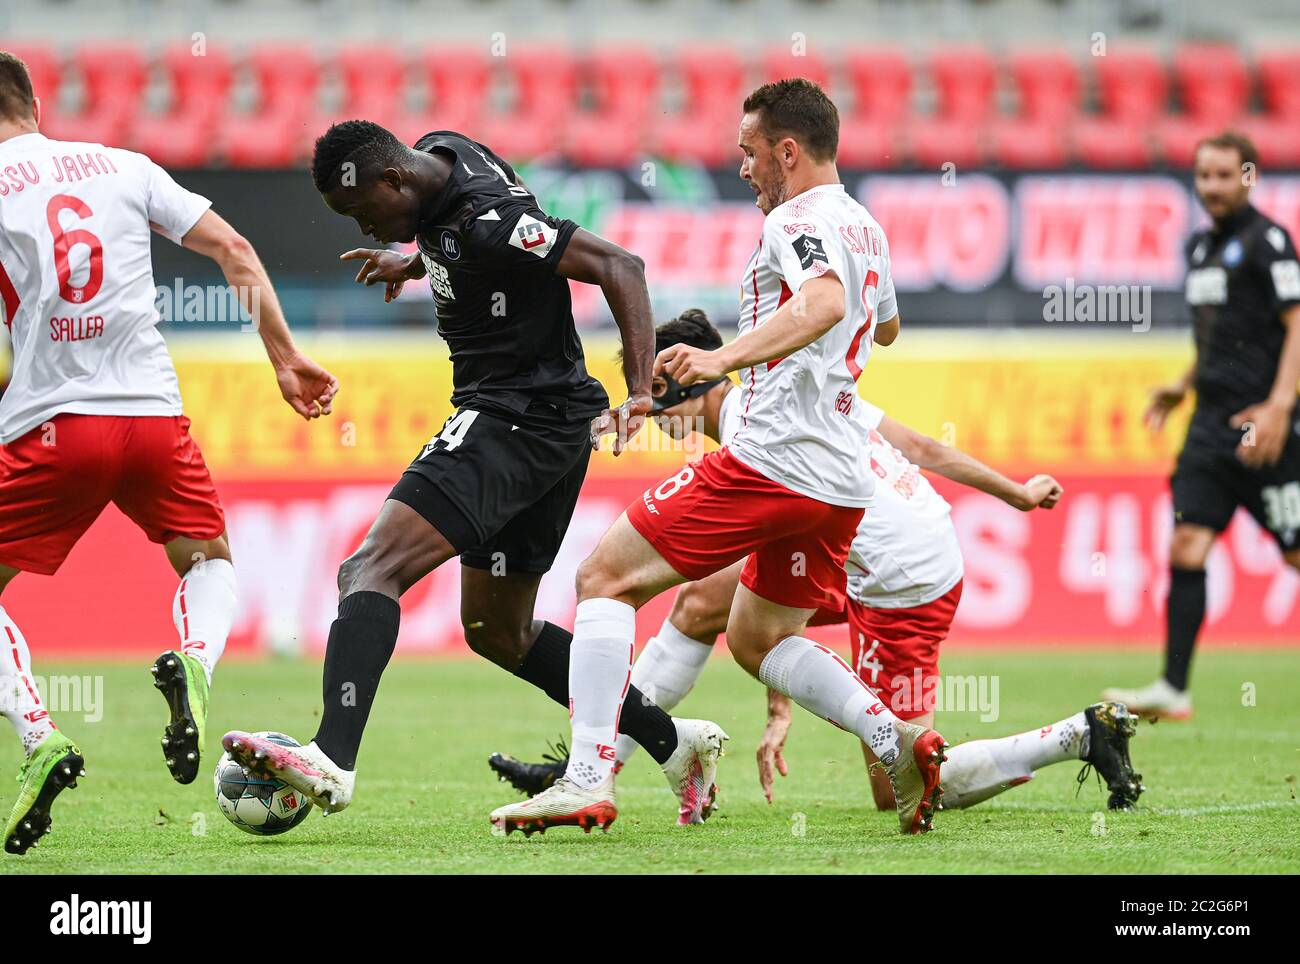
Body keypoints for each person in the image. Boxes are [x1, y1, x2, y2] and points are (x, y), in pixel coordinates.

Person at [221, 121, 726, 827]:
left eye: (368, 211)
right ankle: (677, 747)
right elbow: (447, 230)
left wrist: (640, 388)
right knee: (498, 628)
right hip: (551, 423)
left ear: (396, 180)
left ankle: (331, 757)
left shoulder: (492, 221)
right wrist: (418, 261)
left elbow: (621, 266)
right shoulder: (445, 149)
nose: (370, 225)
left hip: (513, 416)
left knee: (369, 568)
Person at [489, 78, 946, 838]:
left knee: (603, 578)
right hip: (841, 474)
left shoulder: (795, 220)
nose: (743, 168)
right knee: (760, 639)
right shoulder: (866, 225)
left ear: (788, 151)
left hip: (774, 455)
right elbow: (885, 326)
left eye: (750, 152)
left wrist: (720, 358)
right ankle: (895, 738)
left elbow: (827, 302)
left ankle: (585, 779)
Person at [490, 309, 1145, 815]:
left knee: (902, 787)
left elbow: (777, 571)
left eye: (655, 397)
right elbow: (917, 446)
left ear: (685, 388)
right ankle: (600, 758)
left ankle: (1077, 735)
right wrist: (1019, 493)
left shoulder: (751, 442)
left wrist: (778, 709)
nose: (656, 420)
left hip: (901, 582)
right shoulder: (791, 398)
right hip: (885, 547)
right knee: (697, 606)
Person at [0, 51, 338, 855]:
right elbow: (236, 252)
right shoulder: (125, 165)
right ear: (35, 101)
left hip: (53, 423)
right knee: (208, 561)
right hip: (153, 415)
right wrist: (286, 358)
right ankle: (194, 662)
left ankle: (39, 735)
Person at [1105, 131, 1300, 720]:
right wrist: (1183, 384)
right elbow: (1220, 336)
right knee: (1187, 545)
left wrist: (1279, 407)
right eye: (1203, 175)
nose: (1211, 187)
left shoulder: (1270, 243)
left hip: (1261, 427)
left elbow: (1296, 325)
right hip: (1210, 426)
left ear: (1248, 177)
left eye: (1223, 175)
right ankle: (1174, 686)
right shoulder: (1196, 249)